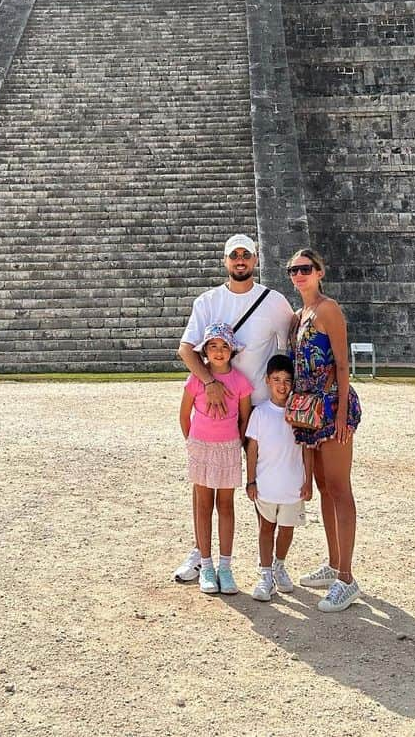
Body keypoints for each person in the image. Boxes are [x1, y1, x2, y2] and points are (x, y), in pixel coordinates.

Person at [172, 234, 295, 584]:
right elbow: (186, 349)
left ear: (256, 260)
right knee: (206, 487)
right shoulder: (208, 301)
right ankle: (202, 555)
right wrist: (210, 384)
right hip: (216, 413)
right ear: (225, 261)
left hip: (256, 406)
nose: (240, 261)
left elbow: (289, 347)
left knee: (262, 485)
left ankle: (267, 566)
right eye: (234, 256)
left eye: (246, 255)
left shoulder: (273, 301)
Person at [286, 247, 363, 613]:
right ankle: (334, 564)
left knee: (339, 487)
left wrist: (343, 412)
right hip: (309, 409)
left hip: (331, 406)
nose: (298, 275)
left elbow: (344, 365)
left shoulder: (328, 309)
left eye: (305, 269)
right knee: (322, 488)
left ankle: (347, 578)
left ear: (320, 272)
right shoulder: (300, 315)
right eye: (292, 270)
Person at [178, 322, 253, 595]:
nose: (219, 352)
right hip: (201, 447)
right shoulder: (196, 379)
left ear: (232, 350)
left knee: (226, 506)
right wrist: (193, 443)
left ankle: (225, 566)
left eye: (224, 347)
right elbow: (184, 415)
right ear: (205, 351)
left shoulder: (241, 381)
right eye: (213, 347)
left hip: (227, 448)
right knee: (203, 505)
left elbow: (245, 417)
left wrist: (236, 442)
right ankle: (206, 565)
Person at [244, 354, 314, 601]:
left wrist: (309, 481)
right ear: (267, 381)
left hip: (293, 485)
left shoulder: (298, 413)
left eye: (286, 380)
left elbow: (307, 447)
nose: (282, 385)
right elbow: (252, 449)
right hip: (266, 484)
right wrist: (251, 480)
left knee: (286, 530)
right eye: (276, 380)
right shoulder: (261, 413)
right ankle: (265, 575)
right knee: (266, 529)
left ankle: (279, 565)